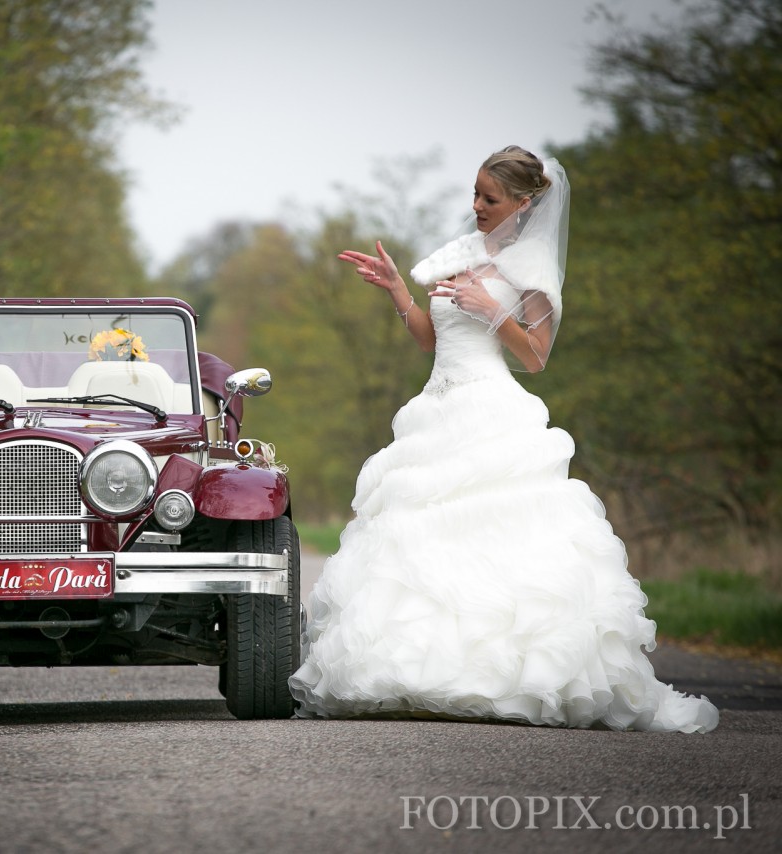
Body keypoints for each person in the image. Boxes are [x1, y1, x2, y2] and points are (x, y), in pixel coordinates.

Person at [288, 146, 718, 732]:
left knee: (493, 540)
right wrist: (397, 290)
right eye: (474, 195)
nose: (477, 207)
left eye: (490, 199)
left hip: (490, 409)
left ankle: (502, 678)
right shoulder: (459, 256)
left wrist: (493, 311)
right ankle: (415, 672)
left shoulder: (533, 267)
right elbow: (428, 339)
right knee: (419, 543)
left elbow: (536, 357)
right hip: (434, 412)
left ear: (525, 202)